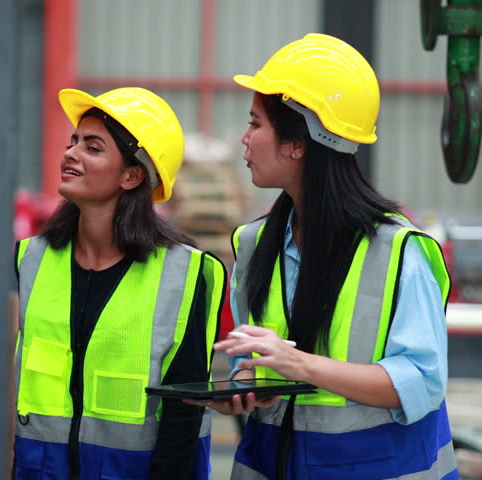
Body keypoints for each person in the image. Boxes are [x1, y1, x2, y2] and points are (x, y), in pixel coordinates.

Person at [188, 33, 456, 479]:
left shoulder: (399, 252)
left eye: (255, 123)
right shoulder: (254, 246)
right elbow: (257, 367)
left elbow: (422, 382)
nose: (244, 138)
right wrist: (243, 388)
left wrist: (300, 365)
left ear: (298, 143)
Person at [12, 87, 227, 480]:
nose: (71, 154)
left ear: (131, 175)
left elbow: (184, 411)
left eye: (92, 148)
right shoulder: (33, 259)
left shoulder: (183, 273)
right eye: (73, 142)